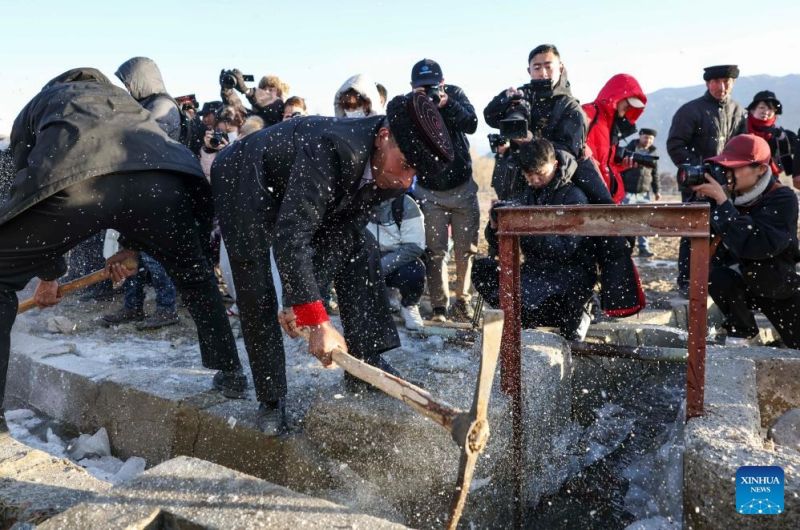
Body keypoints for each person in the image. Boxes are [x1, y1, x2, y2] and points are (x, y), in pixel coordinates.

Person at [0, 68, 248, 431]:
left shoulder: (44, 101)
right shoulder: (128, 105)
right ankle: (231, 372)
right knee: (195, 276)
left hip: (79, 183)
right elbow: (133, 175)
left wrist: (49, 272)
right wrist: (132, 247)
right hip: (164, 183)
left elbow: (21, 186)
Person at [211, 92, 453, 434]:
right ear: (384, 138)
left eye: (415, 173)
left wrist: (306, 305)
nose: (405, 181)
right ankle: (271, 397)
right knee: (254, 281)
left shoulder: (393, 171)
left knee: (358, 245)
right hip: (243, 173)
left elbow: (340, 233)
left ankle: (365, 360)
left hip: (295, 185)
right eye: (406, 166)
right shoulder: (332, 148)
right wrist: (316, 320)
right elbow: (292, 236)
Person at [472, 138, 597, 340]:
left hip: (568, 275)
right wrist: (495, 225)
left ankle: (579, 316)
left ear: (555, 165)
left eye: (540, 174)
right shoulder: (526, 195)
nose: (535, 180)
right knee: (483, 269)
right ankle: (522, 323)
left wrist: (528, 228)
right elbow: (498, 246)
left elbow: (566, 248)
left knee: (570, 295)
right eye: (529, 175)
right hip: (534, 272)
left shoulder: (574, 197)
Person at [691, 134, 800, 349]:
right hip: (740, 285)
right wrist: (705, 202)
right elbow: (697, 243)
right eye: (724, 167)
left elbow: (758, 246)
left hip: (777, 286)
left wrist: (723, 205)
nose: (727, 174)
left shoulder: (783, 198)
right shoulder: (726, 198)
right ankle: (743, 330)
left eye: (734, 167)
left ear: (760, 169)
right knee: (717, 276)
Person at [106, 56, 182, 329]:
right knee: (129, 251)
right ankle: (132, 306)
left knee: (153, 254)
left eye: (128, 82)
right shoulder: (143, 106)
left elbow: (146, 143)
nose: (126, 88)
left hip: (158, 192)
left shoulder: (163, 106)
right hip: (141, 191)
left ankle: (166, 308)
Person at [408, 58, 479, 322]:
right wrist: (416, 106)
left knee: (466, 249)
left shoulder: (455, 95)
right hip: (429, 190)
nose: (428, 93)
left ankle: (464, 300)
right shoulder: (408, 104)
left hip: (462, 187)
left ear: (443, 83)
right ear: (413, 87)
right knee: (435, 250)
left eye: (432, 87)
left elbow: (471, 123)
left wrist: (447, 104)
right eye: (421, 89)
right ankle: (439, 306)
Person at [667, 64, 747, 295]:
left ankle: (715, 279)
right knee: (694, 229)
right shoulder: (691, 110)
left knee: (725, 229)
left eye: (727, 82)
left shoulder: (738, 111)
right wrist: (700, 170)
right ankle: (686, 280)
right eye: (716, 82)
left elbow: (741, 146)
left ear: (733, 83)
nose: (722, 87)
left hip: (728, 184)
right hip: (696, 182)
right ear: (707, 83)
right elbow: (675, 145)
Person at [484, 44, 586, 201]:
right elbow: (490, 118)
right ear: (529, 71)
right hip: (516, 181)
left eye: (548, 67)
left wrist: (532, 142)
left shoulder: (570, 107)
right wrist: (504, 99)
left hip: (553, 184)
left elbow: (569, 152)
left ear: (560, 67)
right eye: (537, 68)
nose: (543, 73)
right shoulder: (522, 96)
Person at [582, 73, 647, 204]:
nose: (627, 111)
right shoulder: (588, 114)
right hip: (593, 200)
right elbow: (580, 159)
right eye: (628, 105)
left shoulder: (612, 127)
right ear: (617, 96)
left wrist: (620, 166)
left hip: (609, 200)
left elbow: (605, 165)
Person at [367, 195, 427, 331]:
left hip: (398, 258)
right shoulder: (358, 200)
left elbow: (414, 246)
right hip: (368, 256)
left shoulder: (406, 204)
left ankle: (409, 304)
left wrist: (380, 266)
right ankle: (369, 304)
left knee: (415, 271)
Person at [745, 90, 800, 187]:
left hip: (771, 181)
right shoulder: (739, 130)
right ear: (752, 110)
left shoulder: (782, 136)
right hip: (742, 181)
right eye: (762, 107)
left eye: (770, 109)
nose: (766, 111)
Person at [621, 128, 661, 257]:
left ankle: (643, 248)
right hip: (627, 192)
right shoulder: (629, 150)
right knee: (626, 220)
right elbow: (619, 170)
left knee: (645, 221)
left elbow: (655, 174)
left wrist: (657, 190)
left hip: (644, 193)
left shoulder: (653, 153)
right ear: (640, 136)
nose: (648, 140)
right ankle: (625, 247)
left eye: (651, 138)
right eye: (646, 137)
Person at [222, 70, 288, 127]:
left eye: (270, 90)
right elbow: (237, 108)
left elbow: (271, 104)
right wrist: (227, 89)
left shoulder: (281, 112)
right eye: (263, 89)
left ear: (279, 93)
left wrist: (246, 90)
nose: (266, 92)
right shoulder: (254, 117)